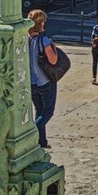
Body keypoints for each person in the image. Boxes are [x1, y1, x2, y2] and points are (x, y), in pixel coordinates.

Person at [27, 9, 59, 148]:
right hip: (45, 80)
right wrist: (54, 48)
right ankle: (33, 131)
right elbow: (53, 60)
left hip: (32, 82)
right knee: (48, 112)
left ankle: (42, 142)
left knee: (39, 111)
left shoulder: (25, 40)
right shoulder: (44, 40)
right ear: (40, 24)